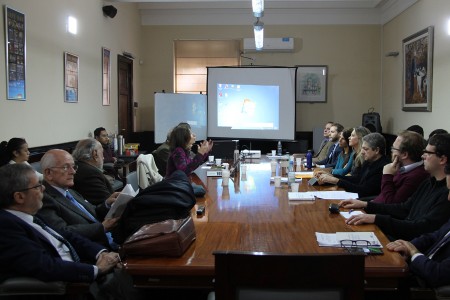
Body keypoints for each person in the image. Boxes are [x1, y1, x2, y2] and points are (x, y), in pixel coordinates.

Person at [0, 164, 140, 299]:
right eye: (37, 186)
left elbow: (68, 236)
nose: (43, 189)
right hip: (74, 285)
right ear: (19, 197)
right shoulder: (6, 226)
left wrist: (101, 253)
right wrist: (96, 269)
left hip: (84, 266)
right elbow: (43, 265)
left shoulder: (29, 216)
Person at [339, 134, 450, 241]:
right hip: (400, 235)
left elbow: (421, 227)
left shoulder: (445, 193)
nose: (423, 156)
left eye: (427, 153)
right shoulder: (429, 182)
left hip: (406, 239)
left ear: (442, 159)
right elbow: (404, 208)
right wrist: (366, 205)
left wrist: (375, 218)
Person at [36, 149, 120, 250]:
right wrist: (102, 228)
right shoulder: (43, 199)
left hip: (113, 239)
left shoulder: (70, 191)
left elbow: (92, 212)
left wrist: (107, 204)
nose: (73, 172)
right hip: (96, 251)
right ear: (48, 173)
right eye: (66, 167)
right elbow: (61, 231)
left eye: (73, 166)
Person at [386, 163, 450, 288]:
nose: (448, 198)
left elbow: (437, 274)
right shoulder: (428, 182)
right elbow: (434, 236)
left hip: (422, 286)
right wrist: (407, 245)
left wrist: (413, 253)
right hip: (417, 267)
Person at [318, 132, 389, 198]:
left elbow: (363, 191)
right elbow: (356, 179)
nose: (362, 152)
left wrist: (337, 181)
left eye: (365, 149)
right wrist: (332, 176)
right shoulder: (369, 161)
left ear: (376, 150)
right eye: (362, 148)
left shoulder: (383, 167)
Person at [371, 130, 429, 204]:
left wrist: (387, 175)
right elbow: (383, 196)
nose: (391, 151)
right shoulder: (400, 167)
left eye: (394, 149)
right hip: (374, 206)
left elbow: (391, 203)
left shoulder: (417, 176)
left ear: (404, 154)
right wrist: (366, 204)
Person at [72, 138, 117, 206]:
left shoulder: (77, 166)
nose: (103, 158)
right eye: (102, 153)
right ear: (95, 154)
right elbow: (108, 203)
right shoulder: (90, 174)